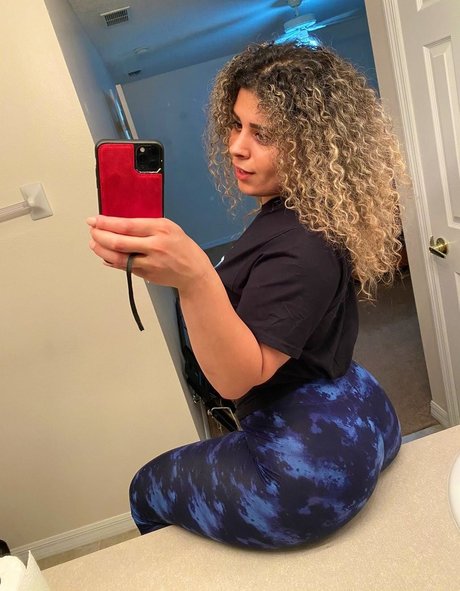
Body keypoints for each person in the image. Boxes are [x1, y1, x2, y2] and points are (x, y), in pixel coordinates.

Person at [87, 41, 404, 550]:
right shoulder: (307, 211)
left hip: (310, 469)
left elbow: (238, 378)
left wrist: (195, 278)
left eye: (264, 134)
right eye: (236, 125)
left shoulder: (300, 246)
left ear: (312, 143)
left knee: (145, 488)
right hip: (365, 406)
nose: (237, 146)